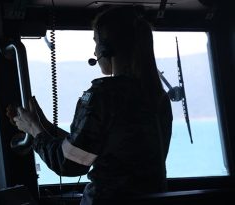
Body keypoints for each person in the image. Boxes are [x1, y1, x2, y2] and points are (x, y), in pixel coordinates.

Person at [11, 6, 173, 205]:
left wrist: (33, 130)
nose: (95, 50)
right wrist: (43, 125)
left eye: (96, 43)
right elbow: (88, 148)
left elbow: (69, 164)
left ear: (106, 49)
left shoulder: (104, 95)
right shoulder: (157, 96)